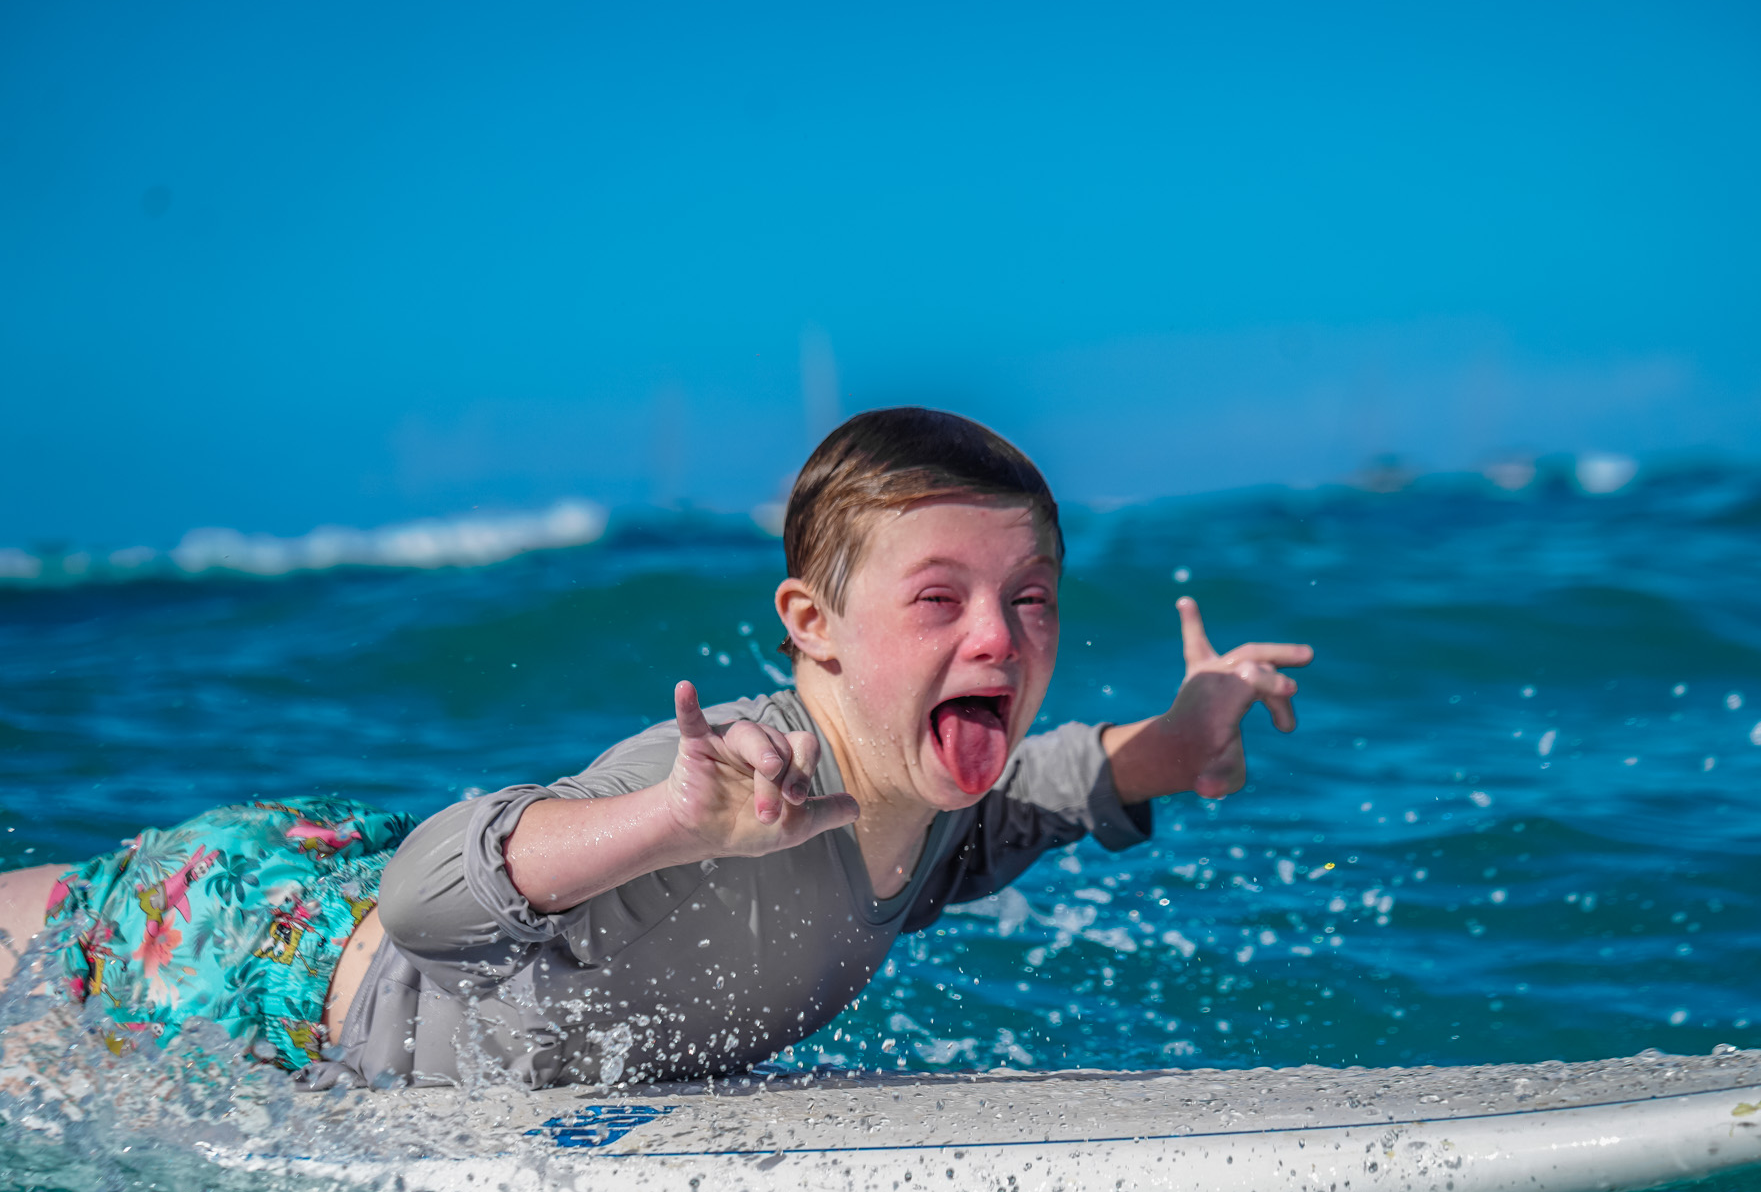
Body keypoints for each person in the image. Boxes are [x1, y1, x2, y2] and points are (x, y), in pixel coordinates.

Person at [0, 408, 1311, 1089]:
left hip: (323, 873)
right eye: (938, 597)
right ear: (813, 627)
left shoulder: (929, 786)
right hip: (266, 964)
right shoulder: (748, 771)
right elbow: (418, 901)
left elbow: (1033, 794)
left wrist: (1170, 744)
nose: (1000, 635)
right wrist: (675, 823)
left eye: (1031, 597)